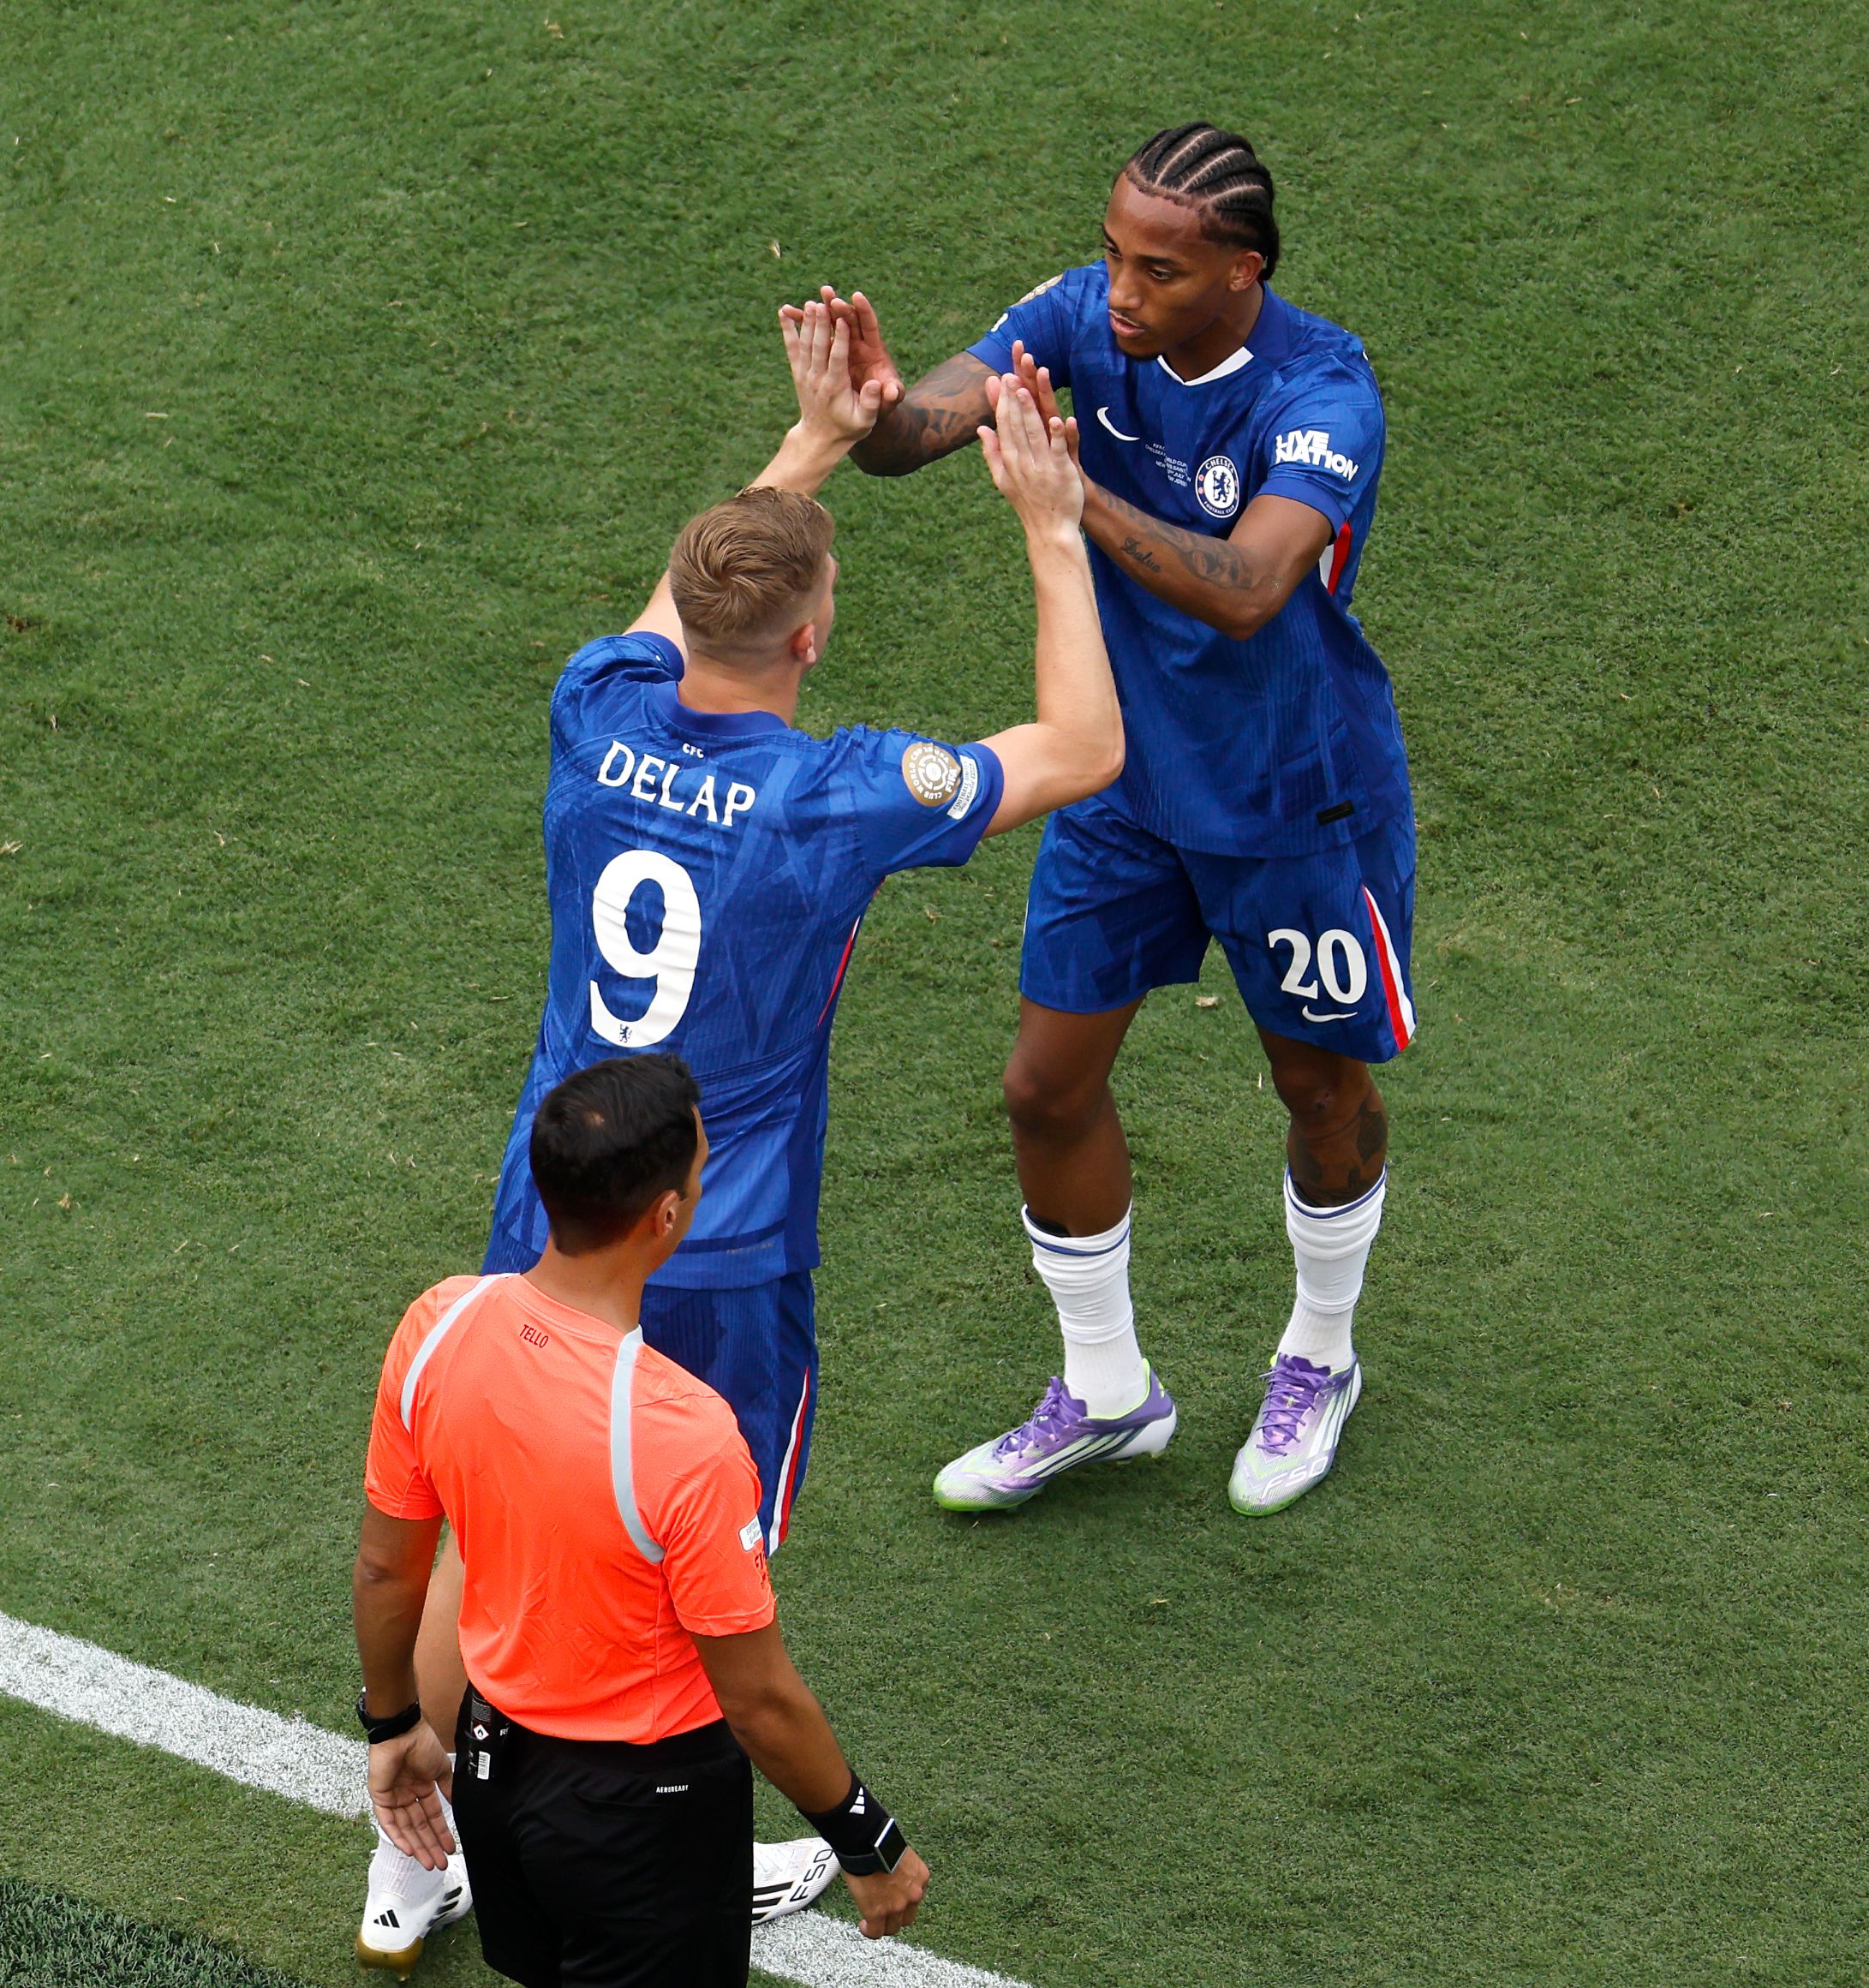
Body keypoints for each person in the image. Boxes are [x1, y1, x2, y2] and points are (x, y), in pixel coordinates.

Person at [355, 301, 1121, 1966]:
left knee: (488, 1509)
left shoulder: (594, 705)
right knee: (695, 1569)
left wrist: (818, 440)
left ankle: (410, 1824)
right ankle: (650, 1836)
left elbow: (686, 594)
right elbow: (1084, 744)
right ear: (816, 638)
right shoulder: (831, 796)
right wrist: (1055, 538)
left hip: (548, 1191)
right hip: (721, 1245)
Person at [827, 123, 1414, 1519]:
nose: (1121, 294)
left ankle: (1320, 1358)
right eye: (1111, 255)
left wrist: (1067, 492)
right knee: (1043, 1084)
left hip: (1294, 801)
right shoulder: (1080, 319)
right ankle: (1106, 1392)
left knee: (1318, 1089)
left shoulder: (1324, 389)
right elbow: (921, 434)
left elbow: (1246, 586)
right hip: (1125, 786)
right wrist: (872, 408)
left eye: (1157, 270)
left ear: (1242, 274)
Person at [355, 1056, 933, 1988]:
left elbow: (390, 1570)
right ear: (666, 1216)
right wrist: (865, 1836)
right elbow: (757, 1698)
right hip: (642, 1818)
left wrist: (392, 1727)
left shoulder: (438, 1325)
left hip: (494, 1775)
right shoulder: (683, 1433)